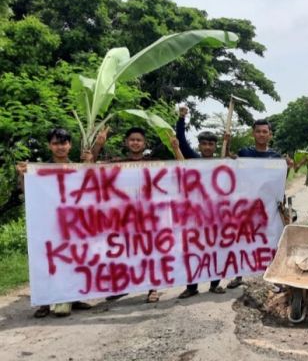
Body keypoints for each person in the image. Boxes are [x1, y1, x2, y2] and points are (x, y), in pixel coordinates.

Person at [15, 128, 94, 318]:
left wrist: (90, 164)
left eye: (64, 143)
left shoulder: (77, 167)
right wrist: (22, 175)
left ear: (70, 145)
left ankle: (74, 297)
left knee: (74, 260)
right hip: (47, 224)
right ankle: (44, 301)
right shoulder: (38, 169)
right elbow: (26, 190)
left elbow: (91, 189)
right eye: (56, 143)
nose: (60, 147)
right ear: (50, 146)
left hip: (73, 224)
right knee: (45, 261)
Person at [104, 126, 184, 303]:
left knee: (150, 251)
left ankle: (152, 287)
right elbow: (87, 171)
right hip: (124, 217)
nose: (135, 143)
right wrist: (98, 145)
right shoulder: (116, 163)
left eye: (138, 140)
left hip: (150, 218)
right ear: (126, 142)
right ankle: (122, 286)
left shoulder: (155, 163)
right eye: (132, 139)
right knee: (124, 251)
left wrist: (176, 148)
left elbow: (182, 168)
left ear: (144, 143)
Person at [229, 119, 293, 290]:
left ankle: (273, 274)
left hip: (269, 206)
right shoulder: (244, 153)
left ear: (270, 135)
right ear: (253, 133)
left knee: (272, 239)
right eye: (258, 131)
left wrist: (288, 168)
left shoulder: (276, 157)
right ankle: (239, 274)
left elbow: (279, 182)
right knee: (243, 238)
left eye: (265, 132)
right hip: (247, 205)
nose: (262, 134)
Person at [175, 106, 227, 298]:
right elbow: (181, 141)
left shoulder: (222, 164)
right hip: (194, 215)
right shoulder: (193, 159)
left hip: (215, 215)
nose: (207, 147)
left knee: (216, 250)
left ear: (215, 146)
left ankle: (215, 284)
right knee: (193, 251)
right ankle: (191, 287)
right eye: (204, 144)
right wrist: (181, 119)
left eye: (210, 144)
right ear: (199, 146)